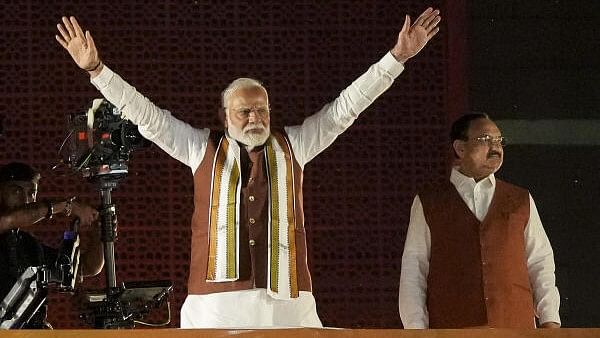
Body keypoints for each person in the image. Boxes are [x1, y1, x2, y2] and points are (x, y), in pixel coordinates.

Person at [56, 8, 441, 328]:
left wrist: (397, 58)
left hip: (290, 302)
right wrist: (97, 70)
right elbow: (147, 116)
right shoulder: (199, 148)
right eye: (245, 110)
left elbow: (347, 108)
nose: (255, 117)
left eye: (262, 109)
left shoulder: (296, 145)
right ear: (226, 117)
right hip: (217, 306)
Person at [399, 113, 560, 329]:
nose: (496, 147)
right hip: (453, 328)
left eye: (499, 140)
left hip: (515, 328)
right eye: (485, 140)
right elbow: (414, 268)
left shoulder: (520, 199)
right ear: (460, 148)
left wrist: (550, 319)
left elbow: (540, 262)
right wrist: (416, 330)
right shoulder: (429, 202)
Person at [0, 162, 103, 328]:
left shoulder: (29, 246)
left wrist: (100, 232)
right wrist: (66, 206)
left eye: (31, 193)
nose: (26, 199)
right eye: (16, 191)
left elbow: (86, 267)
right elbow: (8, 219)